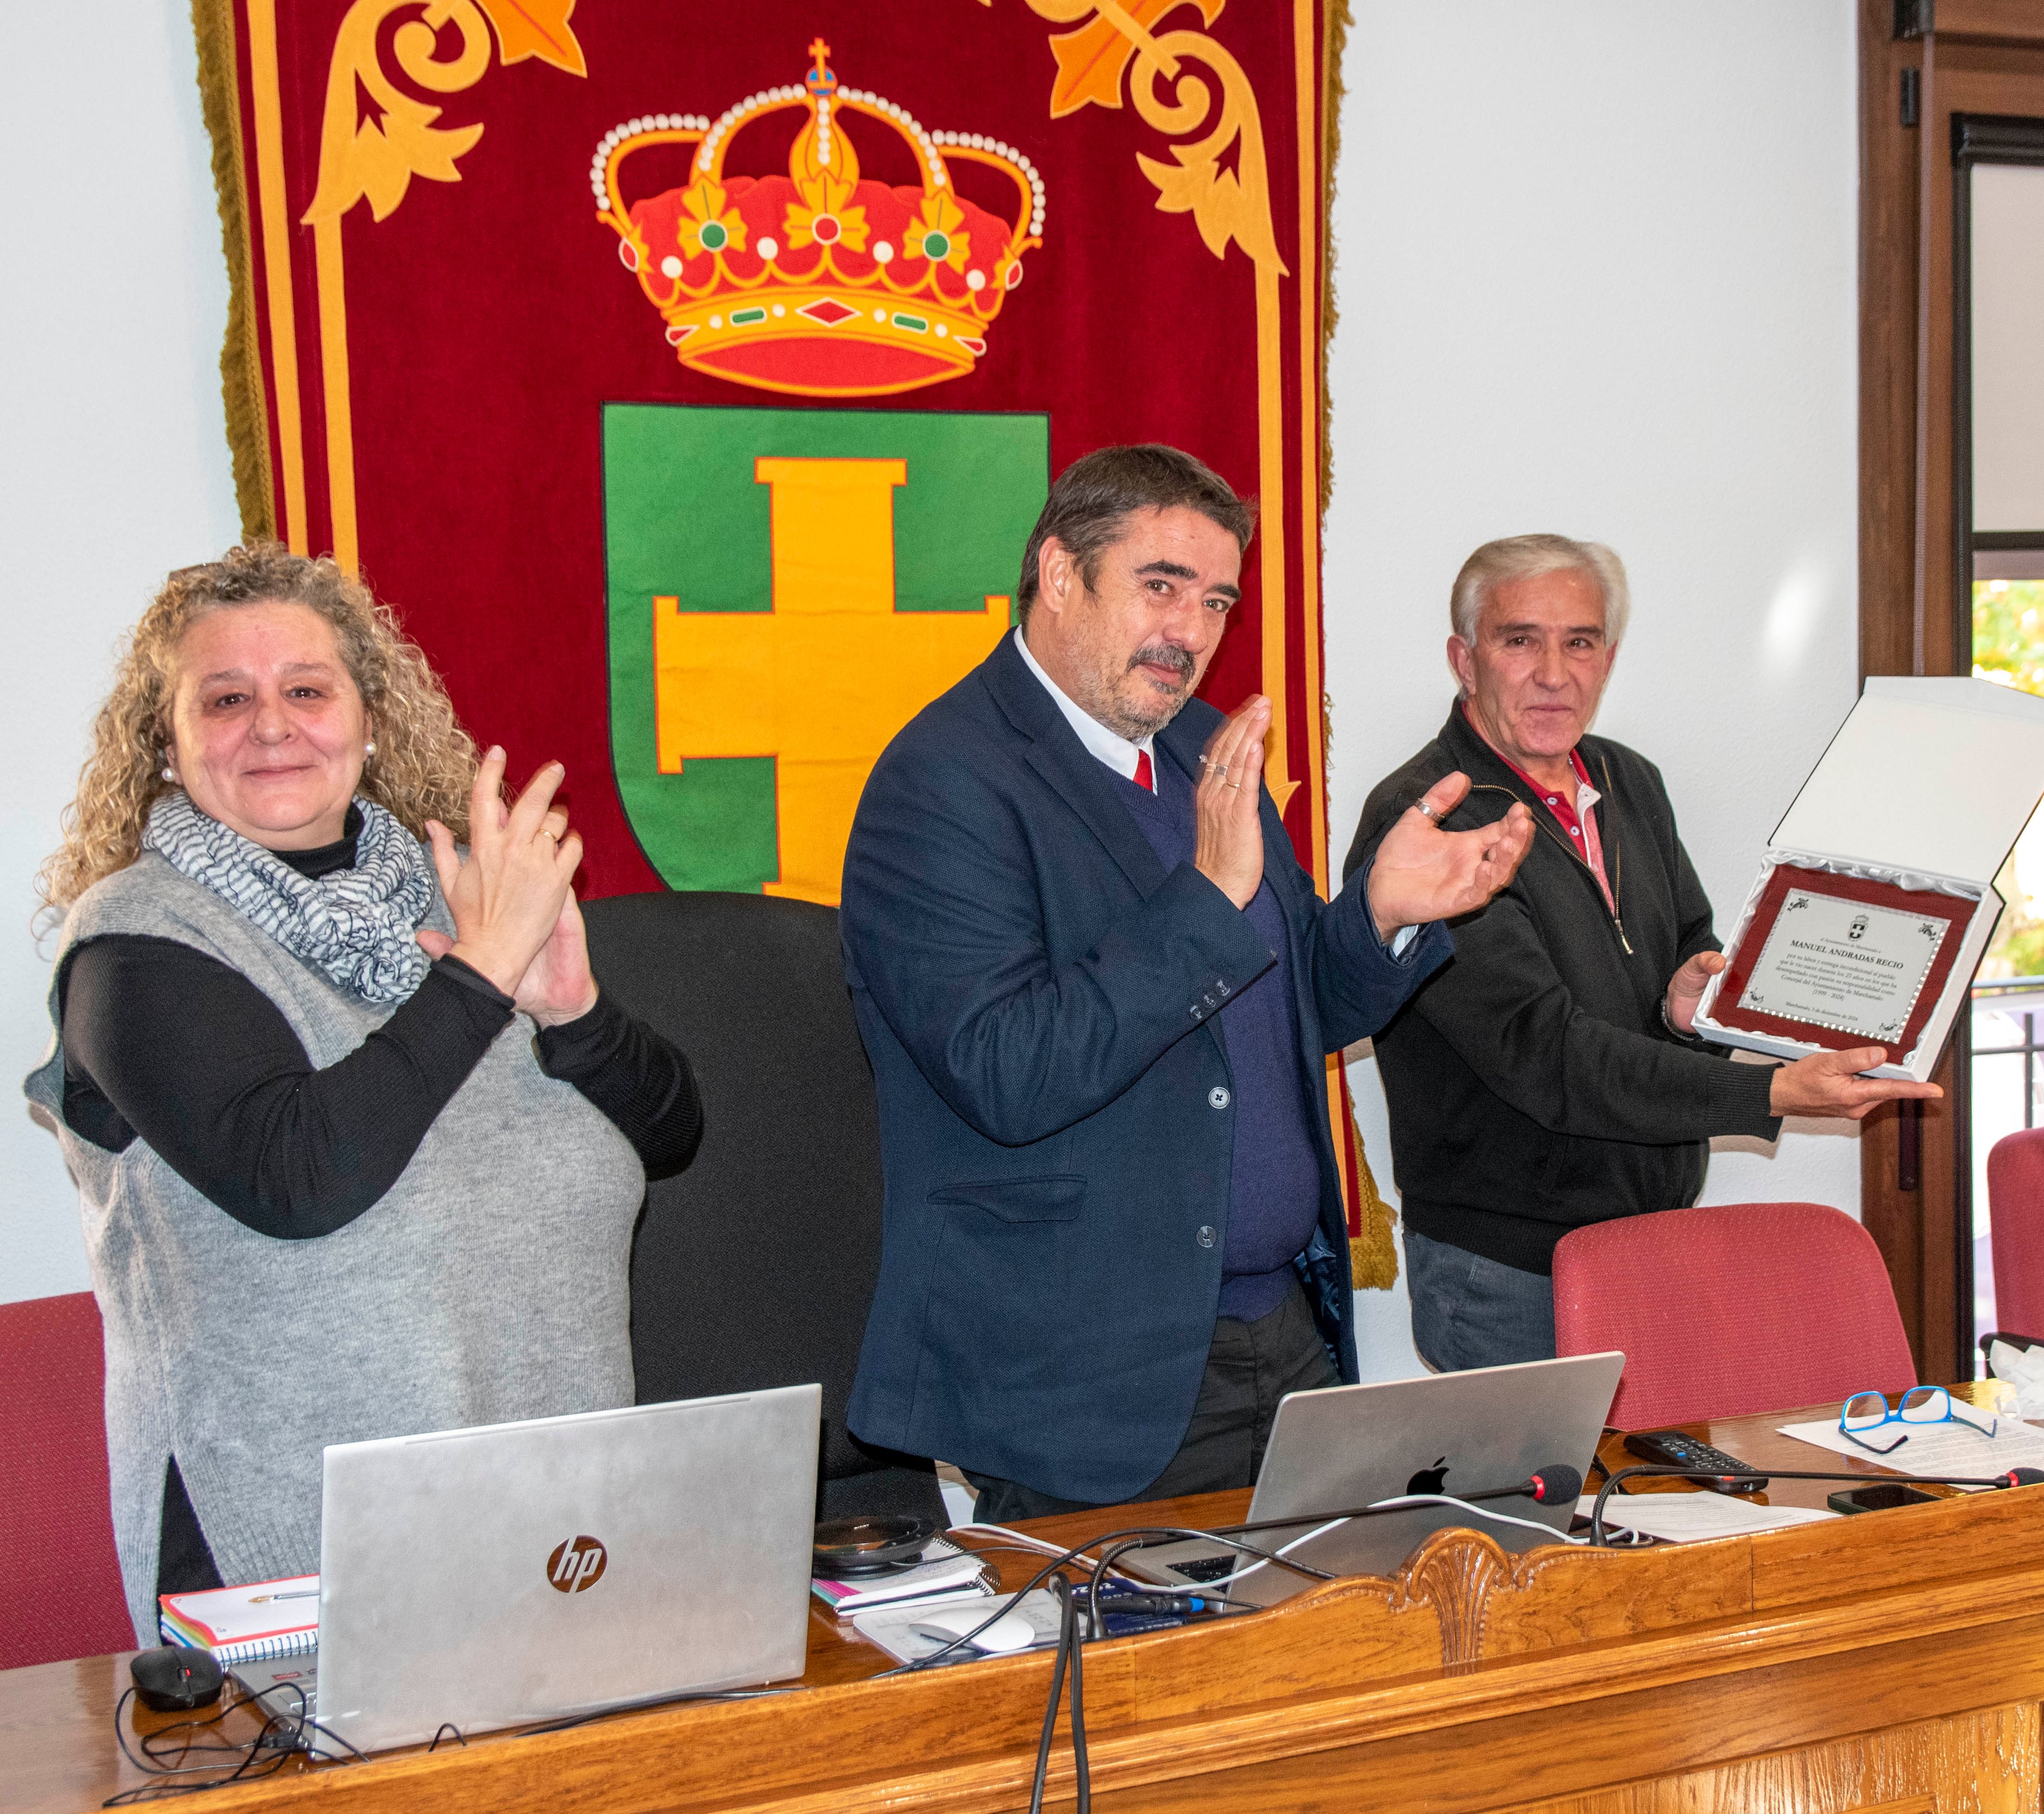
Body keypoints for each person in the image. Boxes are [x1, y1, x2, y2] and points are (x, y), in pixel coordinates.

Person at [839, 445, 1534, 1522]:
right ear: (1058, 573)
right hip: (1093, 1377)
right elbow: (1008, 1072)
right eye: (1160, 585)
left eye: (1216, 600)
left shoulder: (1206, 749)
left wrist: (1382, 914)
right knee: (1138, 1695)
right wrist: (1206, 901)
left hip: (1283, 1338)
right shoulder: (942, 784)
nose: (1194, 632)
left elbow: (1290, 1010)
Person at [24, 543, 703, 1641]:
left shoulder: (465, 894)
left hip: (560, 1536)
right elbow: (300, 1175)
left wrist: (573, 1009)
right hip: (297, 1570)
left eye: (306, 688)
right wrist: (479, 978)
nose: (273, 723)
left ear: (370, 714)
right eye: (226, 698)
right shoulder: (133, 946)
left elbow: (669, 1136)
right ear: (166, 738)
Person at [1349, 536, 1941, 1372]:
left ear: (1609, 658)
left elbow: (1688, 943)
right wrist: (1768, 1088)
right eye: (1520, 639)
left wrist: (1685, 1003)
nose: (1555, 671)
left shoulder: (1631, 782)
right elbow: (1546, 1056)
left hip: (1653, 1240)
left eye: (1580, 641)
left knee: (1661, 1501)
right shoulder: (1434, 824)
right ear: (1465, 658)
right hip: (1512, 1270)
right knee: (1545, 1507)